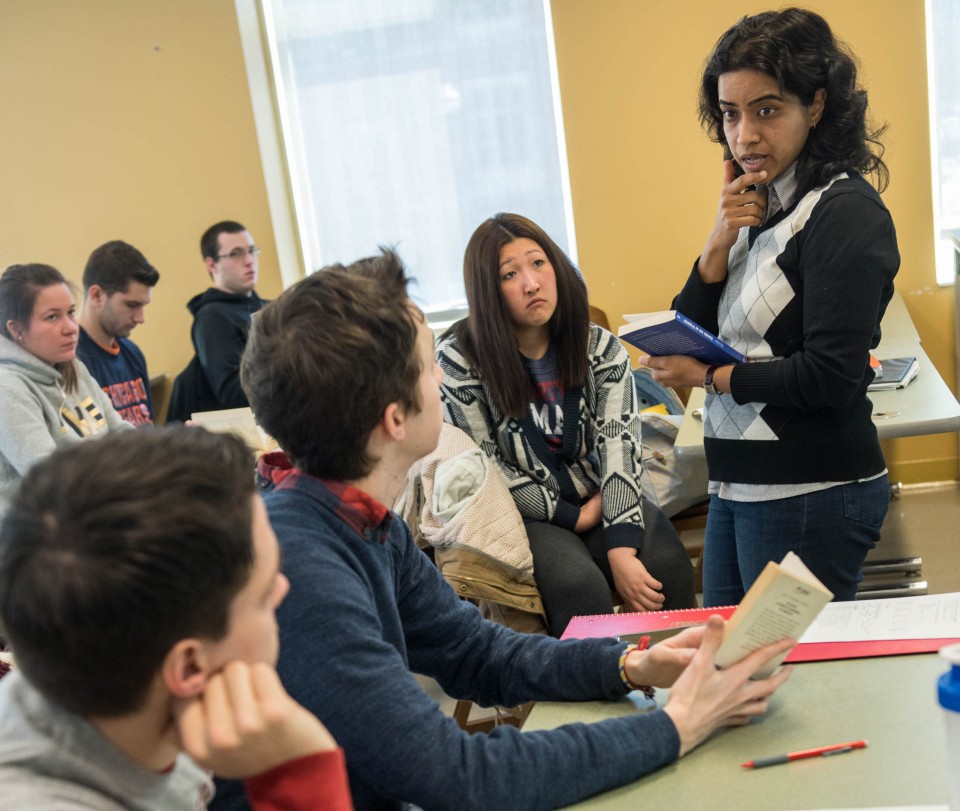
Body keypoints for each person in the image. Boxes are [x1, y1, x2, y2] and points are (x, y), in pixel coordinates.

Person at [211, 248, 793, 811]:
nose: (442, 375)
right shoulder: (299, 569)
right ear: (394, 419)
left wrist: (627, 664)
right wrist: (676, 725)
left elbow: (475, 650)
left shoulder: (361, 521)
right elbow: (462, 777)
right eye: (429, 365)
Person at [638, 8, 899, 607]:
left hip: (813, 491)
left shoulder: (844, 214)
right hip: (739, 485)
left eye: (767, 110)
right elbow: (688, 329)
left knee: (791, 686)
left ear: (817, 105)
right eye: (730, 114)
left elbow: (829, 377)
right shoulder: (759, 204)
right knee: (739, 679)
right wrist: (716, 242)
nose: (744, 136)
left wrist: (709, 378)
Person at [0, 427, 353, 810]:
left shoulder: (92, 686)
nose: (283, 588)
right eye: (264, 592)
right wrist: (301, 775)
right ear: (188, 667)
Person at [437, 213, 696, 636]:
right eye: (509, 274)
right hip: (526, 514)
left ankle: (682, 690)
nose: (531, 283)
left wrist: (621, 548)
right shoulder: (459, 361)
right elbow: (482, 467)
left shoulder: (599, 346)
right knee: (577, 587)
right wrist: (569, 517)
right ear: (487, 291)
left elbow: (621, 446)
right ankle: (598, 695)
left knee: (666, 565)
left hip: (604, 493)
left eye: (538, 263)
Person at [0, 264, 131, 519]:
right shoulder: (7, 388)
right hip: (36, 544)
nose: (71, 327)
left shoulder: (75, 369)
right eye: (52, 317)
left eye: (71, 313)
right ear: (16, 330)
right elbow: (54, 478)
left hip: (87, 517)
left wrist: (172, 447)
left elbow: (120, 433)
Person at [169, 221, 266, 420]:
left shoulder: (266, 308)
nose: (249, 260)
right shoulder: (212, 317)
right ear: (211, 264)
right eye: (236, 253)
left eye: (251, 250)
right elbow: (233, 397)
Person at [77, 240, 160, 425]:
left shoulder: (133, 354)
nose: (141, 318)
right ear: (97, 295)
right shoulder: (71, 361)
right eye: (132, 305)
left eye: (143, 306)